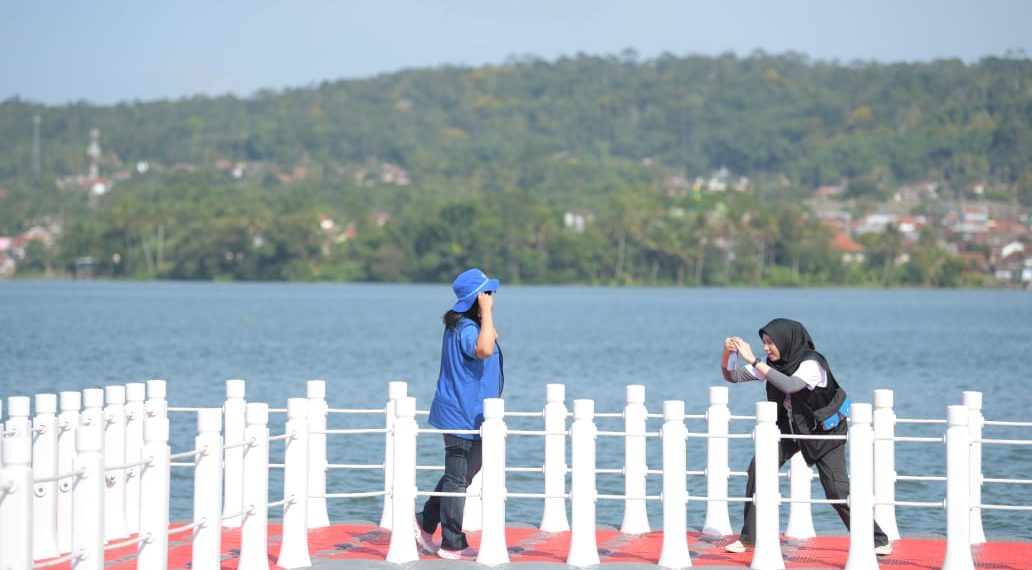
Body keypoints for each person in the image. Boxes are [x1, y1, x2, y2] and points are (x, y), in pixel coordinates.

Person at [720, 318, 892, 556]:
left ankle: (877, 539)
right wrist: (728, 353)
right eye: (764, 343)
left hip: (824, 432)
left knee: (836, 490)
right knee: (758, 466)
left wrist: (755, 360)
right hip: (791, 429)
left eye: (771, 343)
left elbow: (791, 385)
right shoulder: (772, 363)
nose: (766, 348)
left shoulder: (812, 364)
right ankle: (750, 538)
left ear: (786, 340)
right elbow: (732, 376)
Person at [414, 268, 503, 560]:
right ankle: (452, 542)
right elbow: (485, 349)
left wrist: (484, 316)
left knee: (462, 474)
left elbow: (489, 339)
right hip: (461, 413)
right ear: (476, 299)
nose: (491, 298)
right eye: (486, 294)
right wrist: (486, 313)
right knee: (457, 477)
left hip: (473, 413)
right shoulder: (465, 327)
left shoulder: (467, 324)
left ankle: (425, 521)